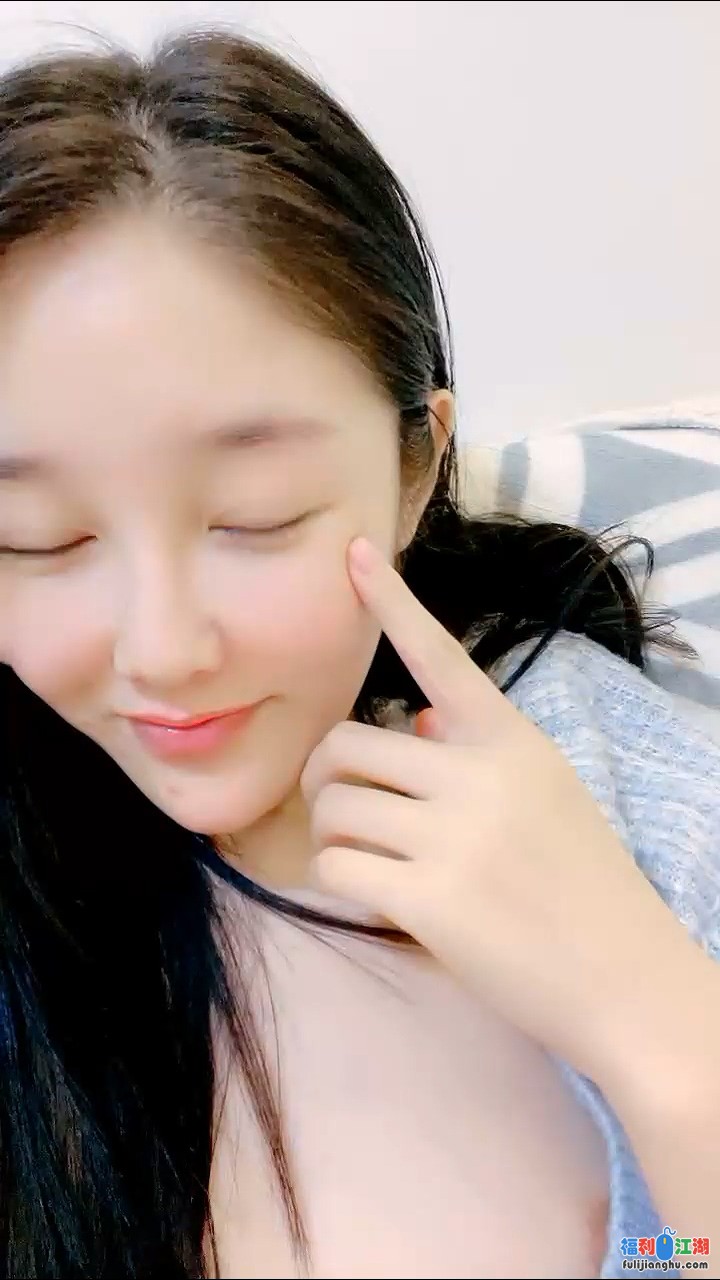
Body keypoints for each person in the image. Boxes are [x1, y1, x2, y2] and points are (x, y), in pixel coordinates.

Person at [0, 27, 717, 1280]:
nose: (162, 650)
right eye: (38, 538)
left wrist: (666, 1035)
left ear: (416, 466)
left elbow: (684, 1248)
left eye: (256, 516)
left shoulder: (619, 796)